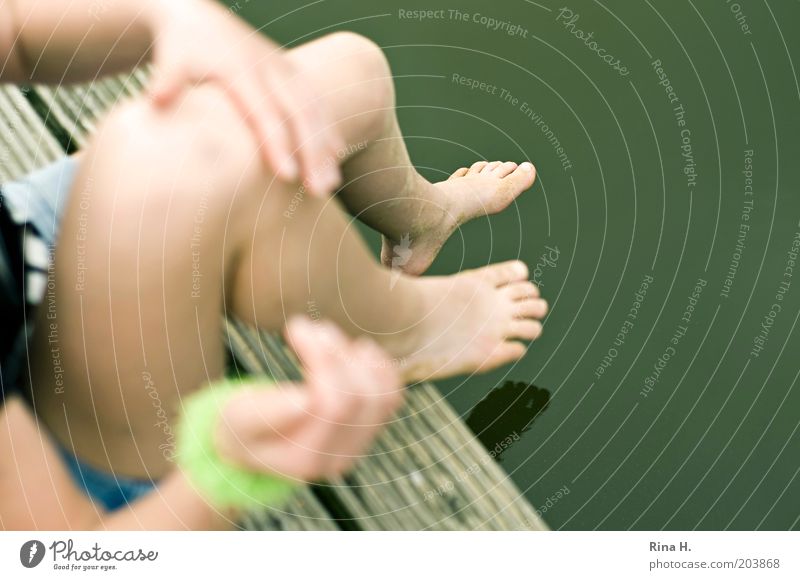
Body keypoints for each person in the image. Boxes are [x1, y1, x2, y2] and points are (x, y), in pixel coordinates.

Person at [0, 0, 547, 527]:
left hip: (13, 246)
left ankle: (421, 218)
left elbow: (17, 31)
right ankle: (402, 329)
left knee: (354, 73)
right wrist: (225, 465)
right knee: (207, 172)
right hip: (53, 464)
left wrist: (169, 14)